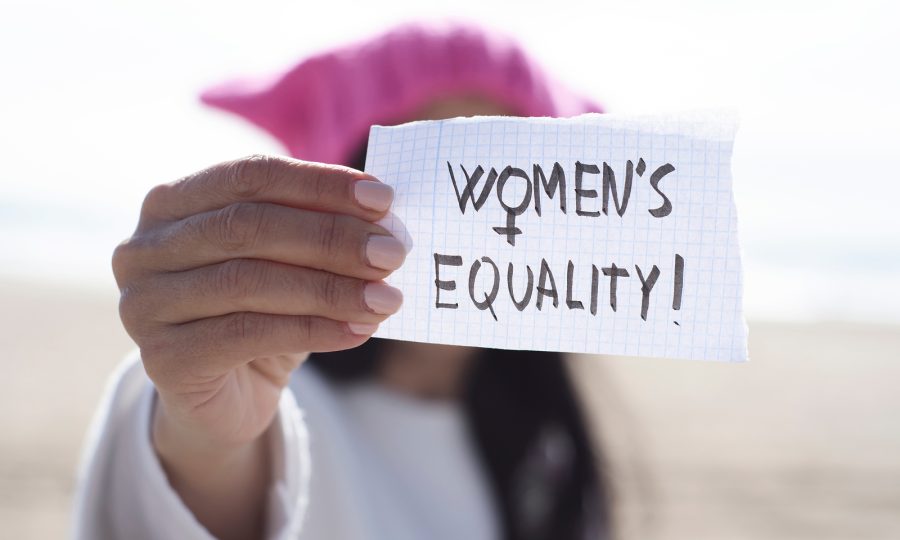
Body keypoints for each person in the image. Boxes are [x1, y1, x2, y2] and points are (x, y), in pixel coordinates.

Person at [72, 23, 610, 540]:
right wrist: (201, 438)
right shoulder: (272, 395)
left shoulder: (540, 435)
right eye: (436, 177)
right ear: (331, 203)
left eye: (513, 181)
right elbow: (204, 479)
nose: (480, 221)